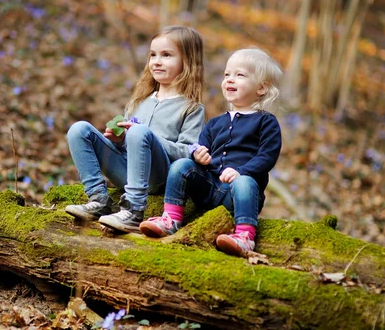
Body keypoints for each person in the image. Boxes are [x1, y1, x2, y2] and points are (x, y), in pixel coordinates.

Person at [139, 47, 283, 258]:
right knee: (181, 165)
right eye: (227, 75)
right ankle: (171, 218)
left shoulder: (266, 122)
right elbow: (198, 146)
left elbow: (267, 156)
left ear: (261, 87)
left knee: (245, 181)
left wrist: (241, 171)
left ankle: (244, 236)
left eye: (240, 75)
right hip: (208, 188)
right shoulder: (216, 122)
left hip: (237, 195)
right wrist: (198, 155)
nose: (230, 80)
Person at [64, 25, 206, 233]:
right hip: (127, 173)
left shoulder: (191, 108)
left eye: (166, 55)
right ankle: (98, 199)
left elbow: (189, 152)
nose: (156, 61)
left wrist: (149, 138)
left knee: (140, 132)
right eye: (153, 55)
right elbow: (129, 148)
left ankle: (133, 210)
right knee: (79, 130)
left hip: (159, 178)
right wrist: (120, 141)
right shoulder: (139, 101)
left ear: (187, 61)